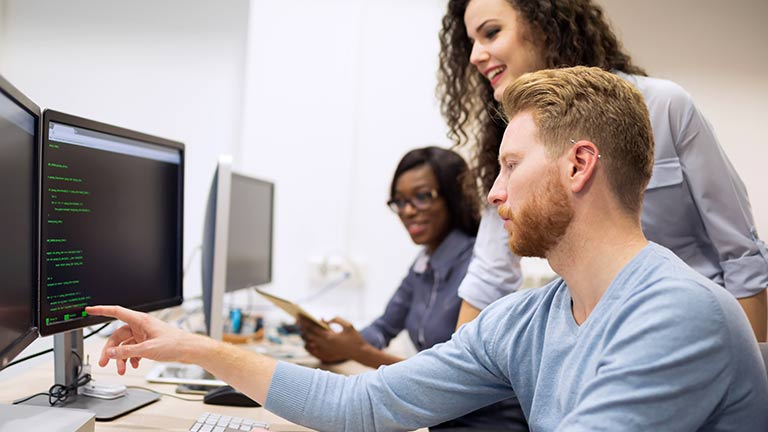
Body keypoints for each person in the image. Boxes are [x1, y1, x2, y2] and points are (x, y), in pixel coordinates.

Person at [88, 67, 768, 431]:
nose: (495, 194)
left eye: (509, 165)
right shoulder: (525, 319)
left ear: (578, 165)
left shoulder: (678, 314)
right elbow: (365, 405)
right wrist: (190, 347)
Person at [439, 0, 768, 341]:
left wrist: (751, 369)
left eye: (491, 33)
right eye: (470, 43)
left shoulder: (665, 107)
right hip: (600, 340)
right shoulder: (511, 141)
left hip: (696, 333)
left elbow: (742, 255)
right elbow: (488, 275)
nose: (476, 55)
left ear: (544, 24)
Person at [298, 146, 525, 430]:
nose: (407, 211)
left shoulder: (482, 272)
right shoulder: (424, 263)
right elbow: (383, 328)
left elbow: (447, 376)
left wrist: (358, 351)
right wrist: (334, 345)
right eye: (400, 201)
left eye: (422, 197)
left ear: (454, 198)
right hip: (441, 420)